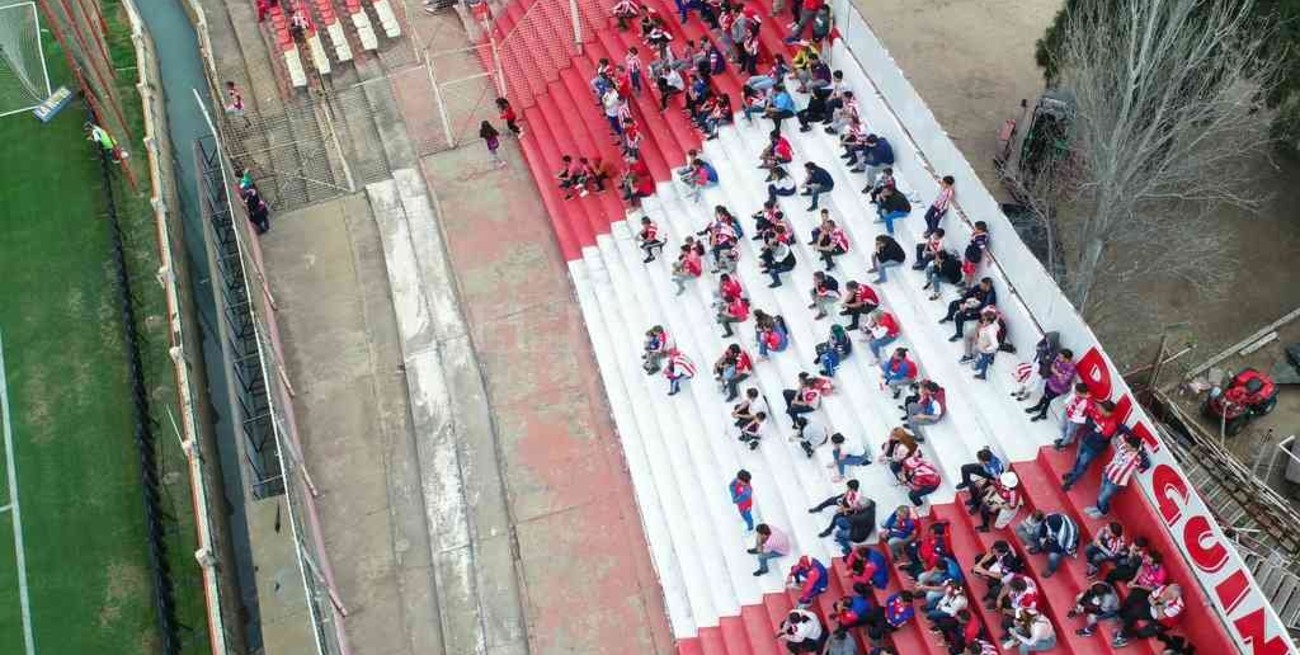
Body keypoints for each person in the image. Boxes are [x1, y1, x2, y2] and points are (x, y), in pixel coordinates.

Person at [1061, 400, 1131, 489]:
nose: (1100, 410)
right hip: (1086, 441)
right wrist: (1092, 425)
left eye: (1102, 409)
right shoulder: (1100, 415)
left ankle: (1071, 481)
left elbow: (1102, 437)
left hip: (1093, 448)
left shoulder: (1112, 424)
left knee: (1083, 464)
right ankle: (1072, 473)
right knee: (1078, 459)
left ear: (1108, 412)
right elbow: (1091, 417)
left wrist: (1094, 427)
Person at [1086, 433, 1149, 518]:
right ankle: (1098, 508)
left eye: (1128, 446)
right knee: (1102, 493)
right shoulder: (1123, 446)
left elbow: (1147, 464)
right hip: (1107, 472)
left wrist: (1140, 451)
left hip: (1115, 482)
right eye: (1126, 444)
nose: (1126, 446)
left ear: (1134, 449)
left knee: (1102, 497)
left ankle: (1103, 512)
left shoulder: (1136, 458)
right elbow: (1121, 431)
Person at [1113, 583, 1183, 647]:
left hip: (1164, 622)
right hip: (1153, 609)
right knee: (1133, 612)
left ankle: (1125, 636)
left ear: (1173, 597)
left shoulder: (1177, 606)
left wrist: (1160, 603)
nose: (1165, 593)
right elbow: (1150, 598)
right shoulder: (1164, 588)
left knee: (1143, 633)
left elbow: (1160, 617)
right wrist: (1157, 605)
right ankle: (1123, 634)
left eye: (1168, 593)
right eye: (1167, 590)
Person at [1025, 349, 1078, 421]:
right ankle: (1040, 410)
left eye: (1061, 357)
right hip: (1051, 381)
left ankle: (1041, 412)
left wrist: (1056, 372)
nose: (1058, 357)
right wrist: (1058, 373)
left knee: (1047, 398)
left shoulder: (1071, 368)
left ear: (1067, 359)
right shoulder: (1059, 359)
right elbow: (1052, 367)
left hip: (1059, 388)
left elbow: (1063, 380)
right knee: (1045, 396)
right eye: (1059, 356)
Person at [1025, 511, 1079, 577]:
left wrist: (1046, 543)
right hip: (1056, 535)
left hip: (1066, 546)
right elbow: (1045, 524)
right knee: (1038, 530)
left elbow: (1059, 548)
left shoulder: (1063, 537)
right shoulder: (1050, 517)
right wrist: (1042, 537)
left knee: (1053, 555)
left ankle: (1051, 569)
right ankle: (1039, 547)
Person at [941, 277, 997, 341]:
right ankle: (949, 317)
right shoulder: (979, 287)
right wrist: (962, 302)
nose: (980, 286)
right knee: (953, 304)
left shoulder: (990, 296)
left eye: (982, 285)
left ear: (987, 286)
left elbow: (982, 309)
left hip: (979, 313)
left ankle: (959, 334)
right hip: (971, 304)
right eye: (981, 284)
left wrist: (967, 310)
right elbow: (968, 294)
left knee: (959, 316)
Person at [1055, 383, 1094, 448]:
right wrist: (1066, 404)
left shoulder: (1088, 402)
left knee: (1070, 433)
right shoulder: (1076, 393)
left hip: (1075, 420)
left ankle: (1064, 444)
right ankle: (1064, 439)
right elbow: (1071, 398)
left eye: (1077, 392)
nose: (1075, 393)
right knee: (1062, 427)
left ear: (1082, 393)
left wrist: (1075, 419)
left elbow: (1086, 414)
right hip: (1067, 412)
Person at [967, 312, 1002, 380]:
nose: (982, 321)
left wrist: (987, 349)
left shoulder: (990, 331)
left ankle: (983, 374)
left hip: (985, 351)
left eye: (984, 319)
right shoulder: (989, 325)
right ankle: (988, 361)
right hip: (983, 347)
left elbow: (995, 345)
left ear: (989, 321)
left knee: (981, 362)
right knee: (984, 360)